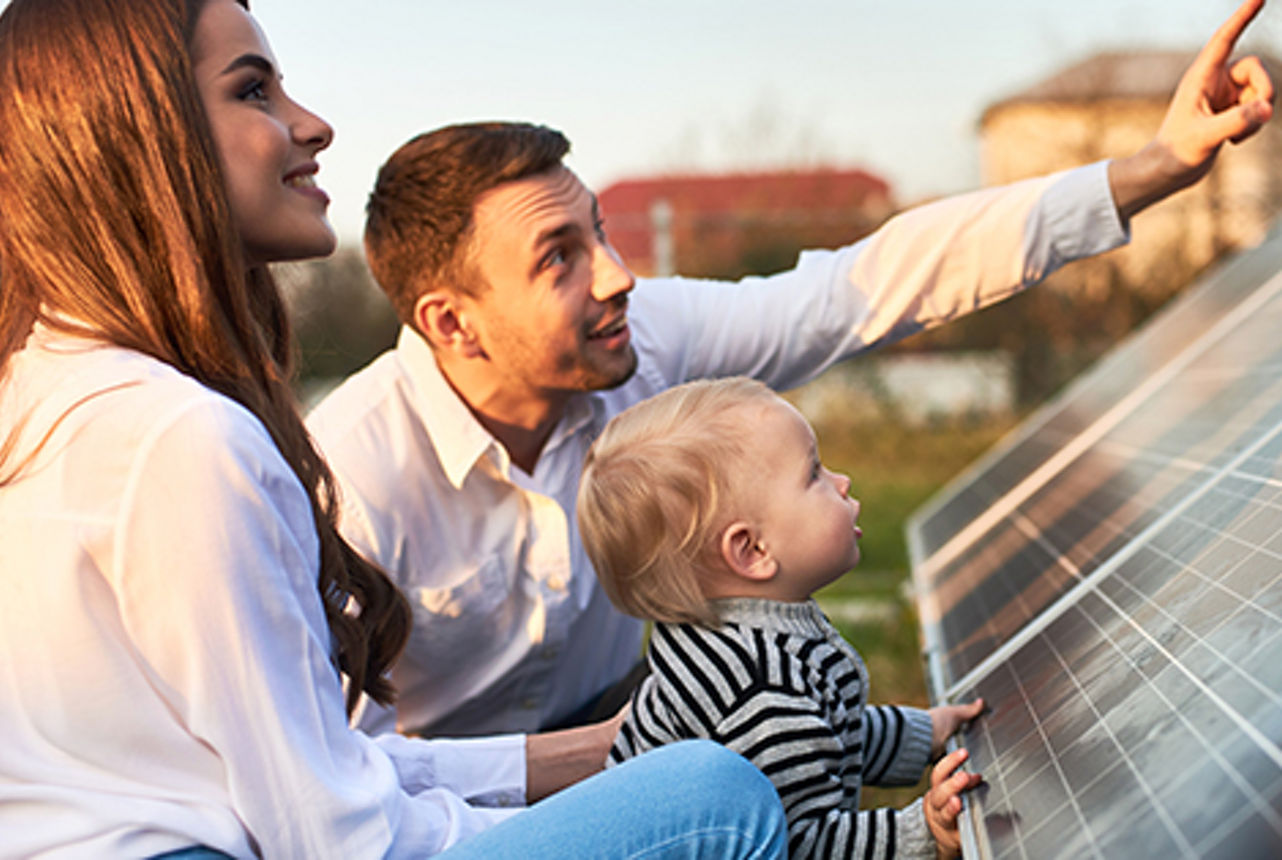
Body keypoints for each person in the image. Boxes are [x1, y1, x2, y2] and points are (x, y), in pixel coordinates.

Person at [307, 0, 1275, 740]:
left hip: (622, 722)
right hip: (440, 811)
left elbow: (866, 285)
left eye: (597, 229)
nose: (618, 272)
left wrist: (1153, 167)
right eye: (559, 255)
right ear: (452, 322)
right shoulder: (349, 477)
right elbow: (334, 781)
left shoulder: (641, 338)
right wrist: (628, 758)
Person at [0, 1, 789, 857]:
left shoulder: (33, 389)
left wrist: (596, 756)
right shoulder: (180, 441)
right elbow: (334, 836)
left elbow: (318, 768)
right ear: (139, 140)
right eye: (254, 91)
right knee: (715, 800)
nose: (313, 124)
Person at [577, 376, 983, 860]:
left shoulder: (737, 634)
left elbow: (828, 736)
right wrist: (924, 832)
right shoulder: (761, 693)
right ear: (752, 550)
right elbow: (802, 845)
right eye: (813, 474)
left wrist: (924, 734)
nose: (842, 481)